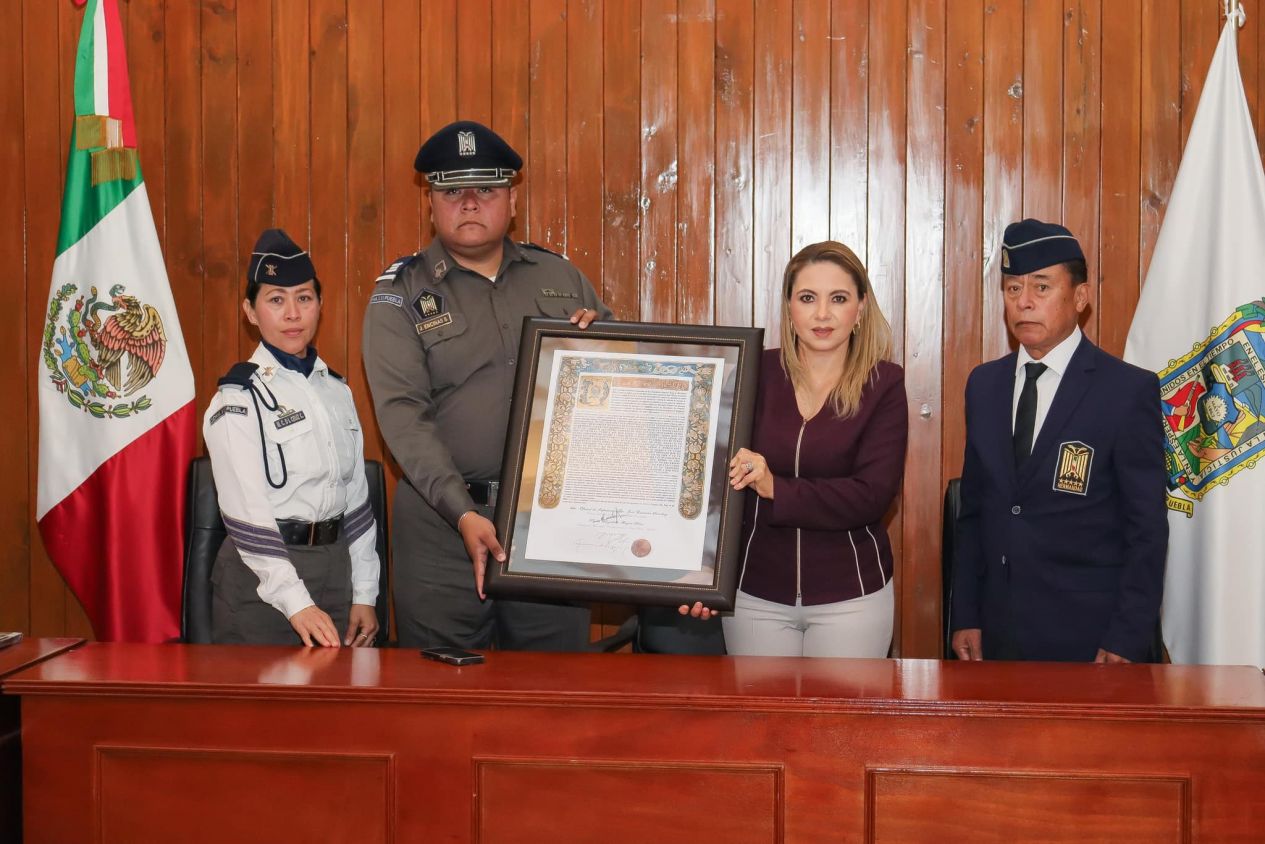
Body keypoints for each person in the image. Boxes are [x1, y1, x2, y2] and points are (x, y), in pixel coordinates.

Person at [362, 120, 611, 651]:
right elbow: (404, 417)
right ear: (430, 204)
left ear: (511, 202)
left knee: (554, 695)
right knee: (442, 707)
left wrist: (605, 354)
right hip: (440, 530)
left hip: (549, 524)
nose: (469, 203)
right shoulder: (400, 294)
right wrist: (463, 511)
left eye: (486, 190)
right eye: (452, 191)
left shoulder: (562, 279)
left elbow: (620, 393)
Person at [950, 219, 1168, 663]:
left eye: (1042, 287)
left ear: (1080, 298)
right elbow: (974, 513)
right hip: (997, 633)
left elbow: (1146, 529)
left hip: (1089, 638)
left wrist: (1126, 636)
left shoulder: (1126, 391)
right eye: (1013, 289)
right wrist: (965, 613)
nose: (1024, 302)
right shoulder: (984, 385)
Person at [686, 241, 908, 658]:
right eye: (808, 298)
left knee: (839, 726)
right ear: (789, 308)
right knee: (761, 724)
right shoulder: (752, 372)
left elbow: (871, 496)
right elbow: (709, 483)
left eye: (838, 298)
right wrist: (700, 572)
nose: (822, 314)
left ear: (860, 309)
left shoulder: (885, 384)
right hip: (755, 596)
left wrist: (775, 488)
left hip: (852, 597)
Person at [203, 229, 381, 647]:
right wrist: (295, 600)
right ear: (250, 311)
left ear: (320, 305)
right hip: (261, 583)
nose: (292, 314)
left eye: (304, 297)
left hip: (337, 573)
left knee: (337, 707)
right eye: (275, 299)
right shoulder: (237, 399)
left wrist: (365, 592)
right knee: (261, 712)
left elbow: (355, 499)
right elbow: (247, 515)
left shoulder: (338, 390)